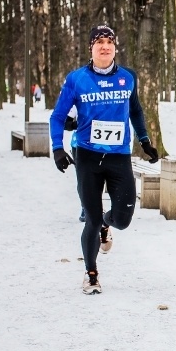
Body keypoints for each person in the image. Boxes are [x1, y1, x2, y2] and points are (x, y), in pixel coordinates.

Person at [49, 24, 159, 295]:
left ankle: (107, 225)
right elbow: (58, 116)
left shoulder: (128, 77)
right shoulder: (77, 79)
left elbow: (135, 110)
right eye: (99, 42)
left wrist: (144, 141)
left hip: (119, 156)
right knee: (92, 219)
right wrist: (57, 148)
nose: (105, 46)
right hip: (87, 155)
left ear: (115, 47)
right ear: (91, 47)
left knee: (122, 219)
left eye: (109, 42)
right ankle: (91, 274)